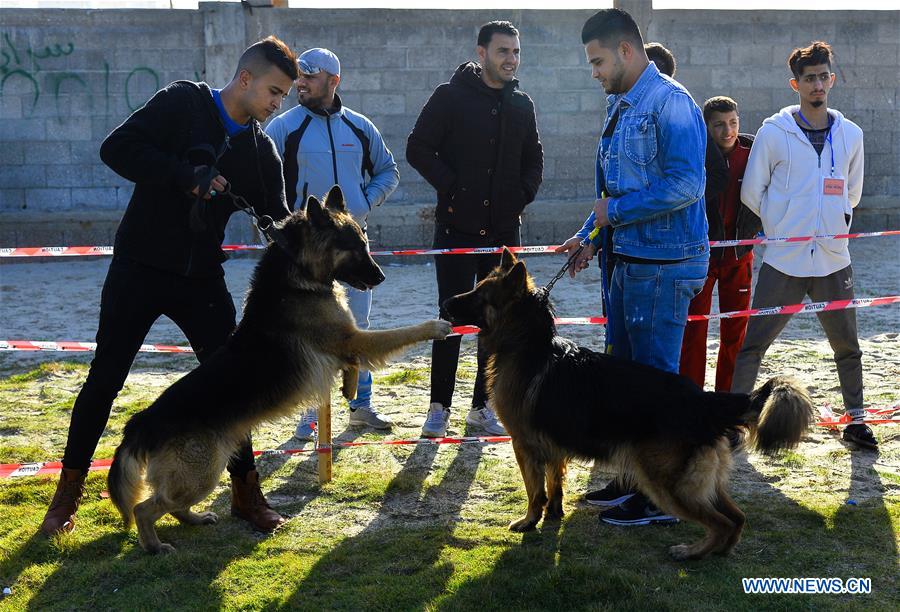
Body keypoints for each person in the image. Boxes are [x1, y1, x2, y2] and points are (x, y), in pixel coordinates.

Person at [39, 36, 299, 536]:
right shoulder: (183, 102)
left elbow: (279, 223)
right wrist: (185, 174)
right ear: (245, 78)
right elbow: (116, 149)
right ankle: (65, 499)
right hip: (137, 268)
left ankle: (247, 497)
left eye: (283, 96)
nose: (276, 103)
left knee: (233, 388)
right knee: (104, 380)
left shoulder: (261, 149)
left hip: (202, 279)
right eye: (274, 90)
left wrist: (320, 237)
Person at [555, 9, 709, 525]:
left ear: (625, 51)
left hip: (663, 267)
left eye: (598, 61)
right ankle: (632, 475)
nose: (593, 71)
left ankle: (663, 495)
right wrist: (589, 238)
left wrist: (612, 216)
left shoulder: (673, 104)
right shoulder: (621, 105)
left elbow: (686, 186)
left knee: (654, 385)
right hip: (627, 263)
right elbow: (611, 193)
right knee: (625, 381)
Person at [732, 41, 875, 450]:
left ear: (832, 78)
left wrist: (830, 224)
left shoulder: (851, 134)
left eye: (823, 76)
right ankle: (737, 425)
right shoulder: (774, 132)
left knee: (848, 347)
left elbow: (852, 194)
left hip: (833, 260)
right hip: (784, 260)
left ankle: (857, 421)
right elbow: (751, 192)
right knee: (753, 345)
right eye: (809, 78)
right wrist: (781, 225)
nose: (818, 84)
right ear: (795, 83)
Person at [407, 20, 543, 438]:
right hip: (456, 229)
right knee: (451, 314)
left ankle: (482, 408)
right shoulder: (449, 97)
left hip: (503, 233)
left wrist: (520, 195)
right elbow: (418, 149)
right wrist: (452, 187)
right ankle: (438, 407)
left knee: (497, 319)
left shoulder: (522, 104)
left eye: (516, 52)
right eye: (503, 51)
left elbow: (534, 160)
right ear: (481, 52)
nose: (511, 59)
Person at [266, 48, 400, 440]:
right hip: (304, 260)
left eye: (309, 74)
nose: (301, 82)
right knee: (311, 332)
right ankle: (308, 415)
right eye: (299, 75)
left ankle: (361, 406)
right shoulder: (284, 127)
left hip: (351, 254)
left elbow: (388, 170)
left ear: (333, 80)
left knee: (358, 326)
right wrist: (282, 232)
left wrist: (362, 202)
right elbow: (262, 181)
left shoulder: (359, 126)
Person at [679, 96, 761, 392]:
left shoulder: (754, 151)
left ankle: (727, 400)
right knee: (694, 328)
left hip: (739, 256)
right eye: (719, 125)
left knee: (735, 332)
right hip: (702, 257)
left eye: (733, 123)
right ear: (707, 127)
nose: (728, 131)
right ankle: (691, 398)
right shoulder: (695, 155)